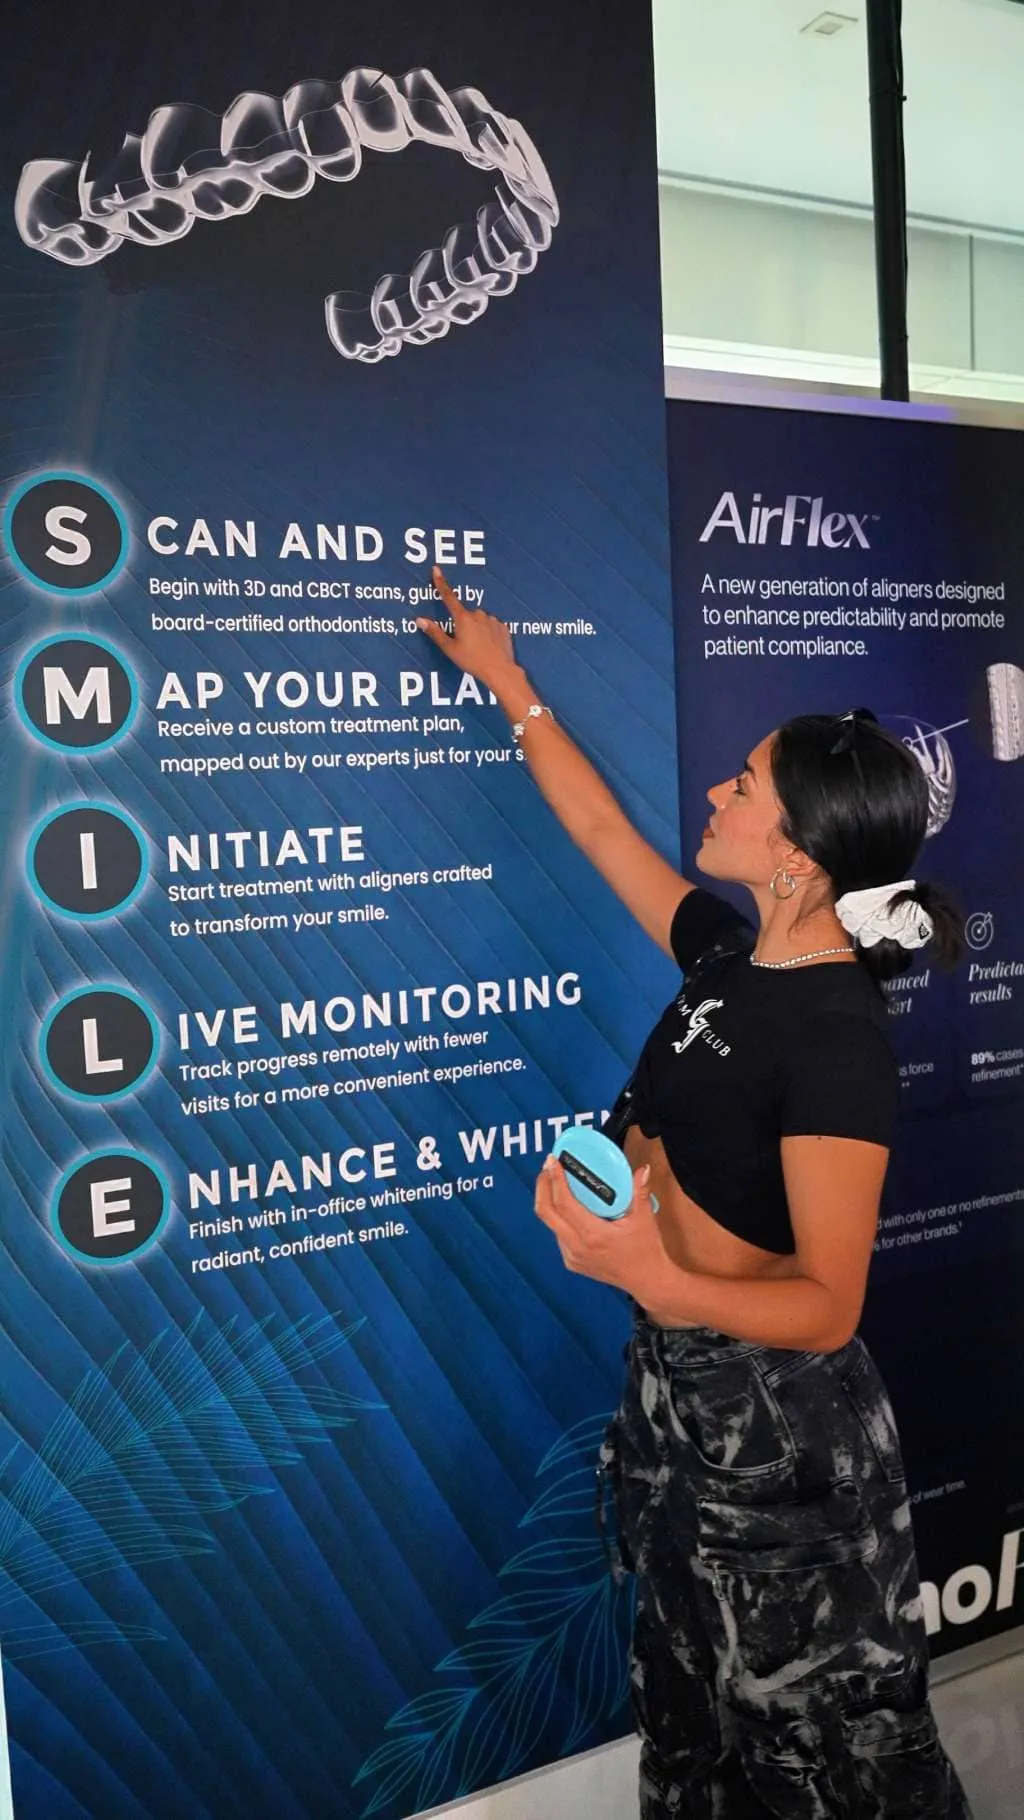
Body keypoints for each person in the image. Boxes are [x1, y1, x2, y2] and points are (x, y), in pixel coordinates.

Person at [418, 569, 973, 1819]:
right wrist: (508, 684)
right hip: (676, 1402)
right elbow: (602, 833)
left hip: (785, 1439)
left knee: (823, 1762)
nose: (716, 793)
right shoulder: (728, 953)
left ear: (797, 855)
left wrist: (653, 1274)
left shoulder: (836, 1036)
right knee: (692, 1729)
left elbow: (828, 1303)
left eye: (743, 785)